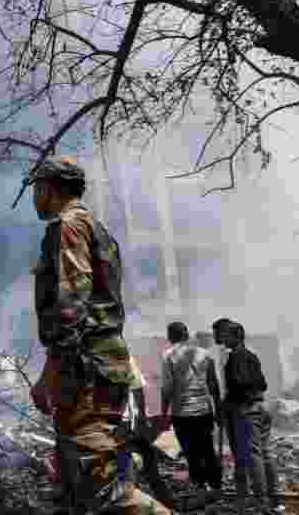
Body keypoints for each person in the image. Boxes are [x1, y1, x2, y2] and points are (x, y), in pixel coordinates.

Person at [25, 156, 168, 515]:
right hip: (101, 368)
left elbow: (72, 305)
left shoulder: (70, 226)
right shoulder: (96, 227)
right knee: (77, 487)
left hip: (86, 373)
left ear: (49, 188)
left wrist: (50, 374)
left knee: (103, 491)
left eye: (37, 189)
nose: (35, 198)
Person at [220, 320, 281, 514]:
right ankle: (274, 496)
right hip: (261, 407)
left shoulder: (236, 356)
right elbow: (263, 384)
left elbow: (238, 384)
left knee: (254, 455)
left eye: (226, 335)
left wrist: (227, 402)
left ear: (236, 337)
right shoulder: (251, 356)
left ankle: (261, 501)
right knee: (264, 453)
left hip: (247, 410)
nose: (223, 338)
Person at [161, 321, 222, 502]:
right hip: (204, 410)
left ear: (170, 336)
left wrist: (164, 413)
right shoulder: (205, 354)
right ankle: (216, 486)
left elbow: (167, 388)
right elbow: (213, 384)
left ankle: (200, 486)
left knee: (191, 451)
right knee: (207, 449)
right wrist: (218, 409)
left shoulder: (168, 356)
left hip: (182, 413)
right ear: (187, 335)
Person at [123, 355, 173, 508]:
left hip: (122, 423)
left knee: (140, 463)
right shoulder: (124, 357)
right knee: (145, 465)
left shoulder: (90, 358)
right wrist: (143, 419)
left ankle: (164, 503)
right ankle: (165, 502)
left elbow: (138, 389)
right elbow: (138, 390)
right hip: (126, 422)